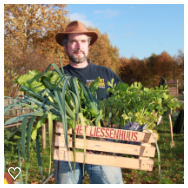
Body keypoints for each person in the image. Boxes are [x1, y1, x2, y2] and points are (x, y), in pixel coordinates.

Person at [54, 20, 124, 184]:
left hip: (102, 147)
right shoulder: (56, 77)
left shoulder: (105, 73)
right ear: (65, 47)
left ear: (88, 45)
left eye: (83, 41)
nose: (79, 46)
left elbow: (125, 102)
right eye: (73, 41)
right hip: (67, 147)